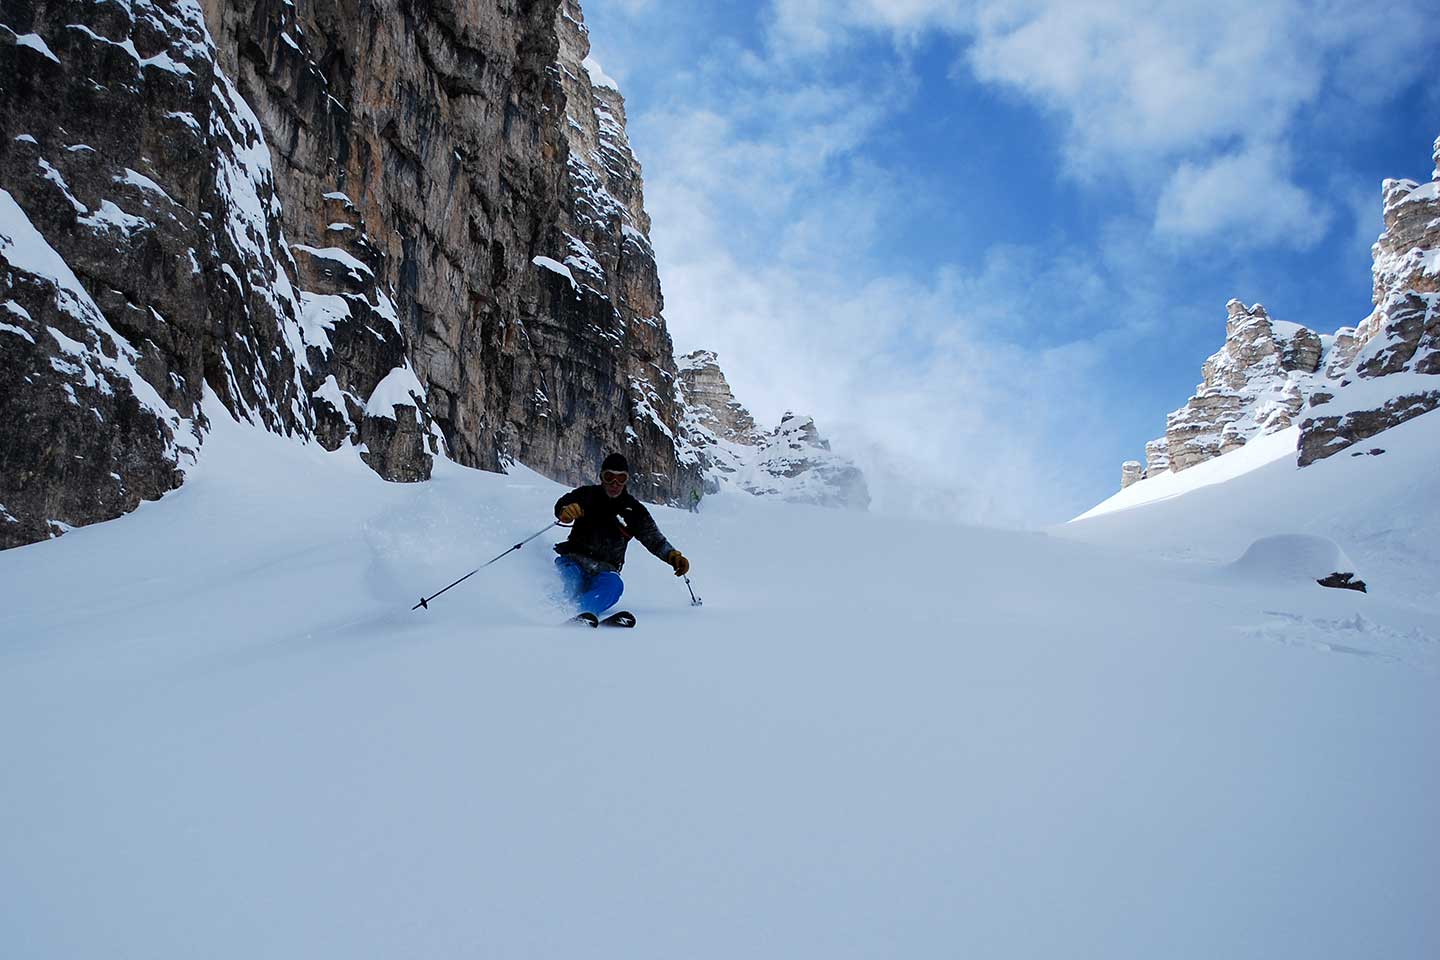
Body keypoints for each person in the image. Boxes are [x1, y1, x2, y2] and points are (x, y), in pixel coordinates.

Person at [553, 453, 690, 616]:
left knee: (613, 587)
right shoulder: (586, 495)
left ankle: (576, 612)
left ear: (627, 480)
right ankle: (551, 609)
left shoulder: (634, 510)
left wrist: (672, 556)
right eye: (609, 476)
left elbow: (654, 540)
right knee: (569, 581)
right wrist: (565, 511)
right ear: (602, 477)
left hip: (605, 570)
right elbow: (561, 505)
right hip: (574, 560)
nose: (615, 483)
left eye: (621, 478)